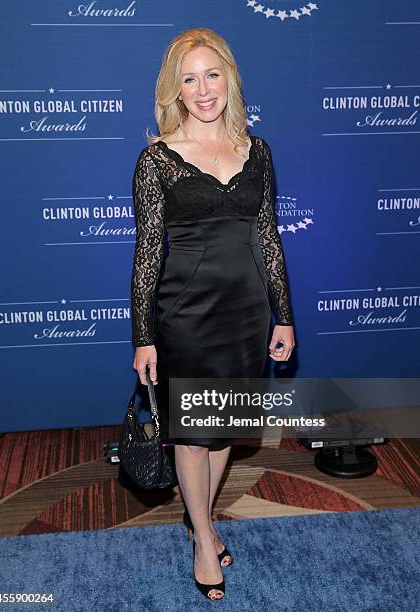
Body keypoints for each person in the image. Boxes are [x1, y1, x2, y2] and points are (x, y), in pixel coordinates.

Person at [131, 27, 295, 601]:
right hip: (187, 317)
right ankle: (203, 534)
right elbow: (147, 253)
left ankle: (199, 514)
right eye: (189, 79)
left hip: (246, 316)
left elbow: (268, 238)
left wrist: (283, 316)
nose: (203, 90)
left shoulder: (259, 150)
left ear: (230, 77)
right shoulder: (158, 160)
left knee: (226, 430)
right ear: (174, 90)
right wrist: (145, 335)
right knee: (193, 438)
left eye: (212, 74)